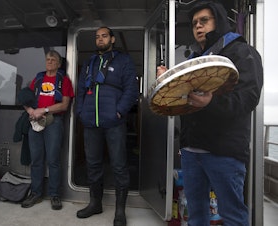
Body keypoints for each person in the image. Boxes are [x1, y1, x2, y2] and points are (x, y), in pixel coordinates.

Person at [157, 1, 263, 225]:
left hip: (224, 151)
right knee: (195, 214)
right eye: (195, 23)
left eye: (204, 20)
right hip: (190, 151)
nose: (198, 26)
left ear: (220, 20)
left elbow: (249, 98)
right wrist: (168, 81)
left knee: (232, 214)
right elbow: (182, 102)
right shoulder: (194, 61)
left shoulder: (243, 52)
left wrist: (211, 102)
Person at [76, 27, 139, 226]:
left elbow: (131, 89)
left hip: (114, 122)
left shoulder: (123, 61)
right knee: (93, 164)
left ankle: (120, 210)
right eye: (97, 37)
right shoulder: (89, 63)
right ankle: (95, 203)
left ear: (112, 39)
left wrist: (119, 111)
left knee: (119, 165)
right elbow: (80, 90)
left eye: (104, 36)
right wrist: (80, 111)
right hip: (90, 122)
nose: (100, 39)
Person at [21, 50, 74, 210]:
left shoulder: (63, 81)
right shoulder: (37, 79)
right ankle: (36, 193)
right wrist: (30, 110)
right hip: (35, 122)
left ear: (59, 64)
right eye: (47, 59)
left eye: (53, 60)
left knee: (53, 160)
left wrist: (42, 110)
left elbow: (64, 105)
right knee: (36, 160)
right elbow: (25, 99)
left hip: (53, 122)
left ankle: (54, 195)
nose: (49, 62)